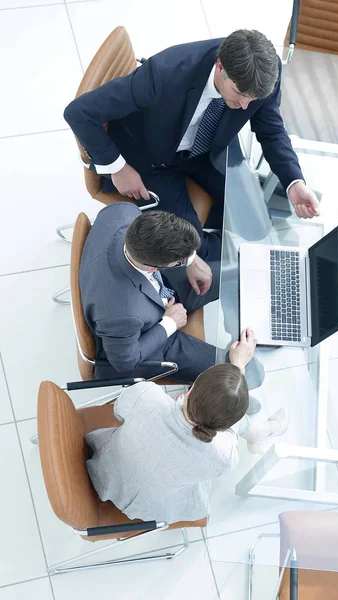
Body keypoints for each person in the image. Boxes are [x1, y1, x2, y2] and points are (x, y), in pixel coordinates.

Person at [64, 29, 320, 262]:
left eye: (253, 100)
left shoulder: (265, 74)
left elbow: (271, 130)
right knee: (193, 247)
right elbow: (78, 113)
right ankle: (222, 263)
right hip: (152, 163)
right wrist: (118, 168)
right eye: (239, 94)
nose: (245, 106)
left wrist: (294, 182)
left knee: (256, 223)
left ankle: (228, 248)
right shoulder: (165, 73)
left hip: (207, 151)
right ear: (220, 66)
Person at [86, 333, 289, 523]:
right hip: (147, 508)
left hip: (105, 470)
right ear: (225, 427)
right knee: (234, 427)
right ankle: (260, 432)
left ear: (192, 386)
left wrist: (236, 368)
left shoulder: (146, 394)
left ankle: (259, 431)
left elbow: (118, 411)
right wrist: (238, 367)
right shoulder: (224, 456)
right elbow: (230, 430)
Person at [80, 201, 264, 398]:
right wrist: (169, 323)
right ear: (153, 268)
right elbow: (125, 361)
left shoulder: (124, 212)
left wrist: (191, 259)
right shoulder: (121, 314)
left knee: (242, 274)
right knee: (252, 372)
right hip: (152, 335)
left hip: (161, 287)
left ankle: (259, 328)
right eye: (180, 262)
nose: (186, 262)